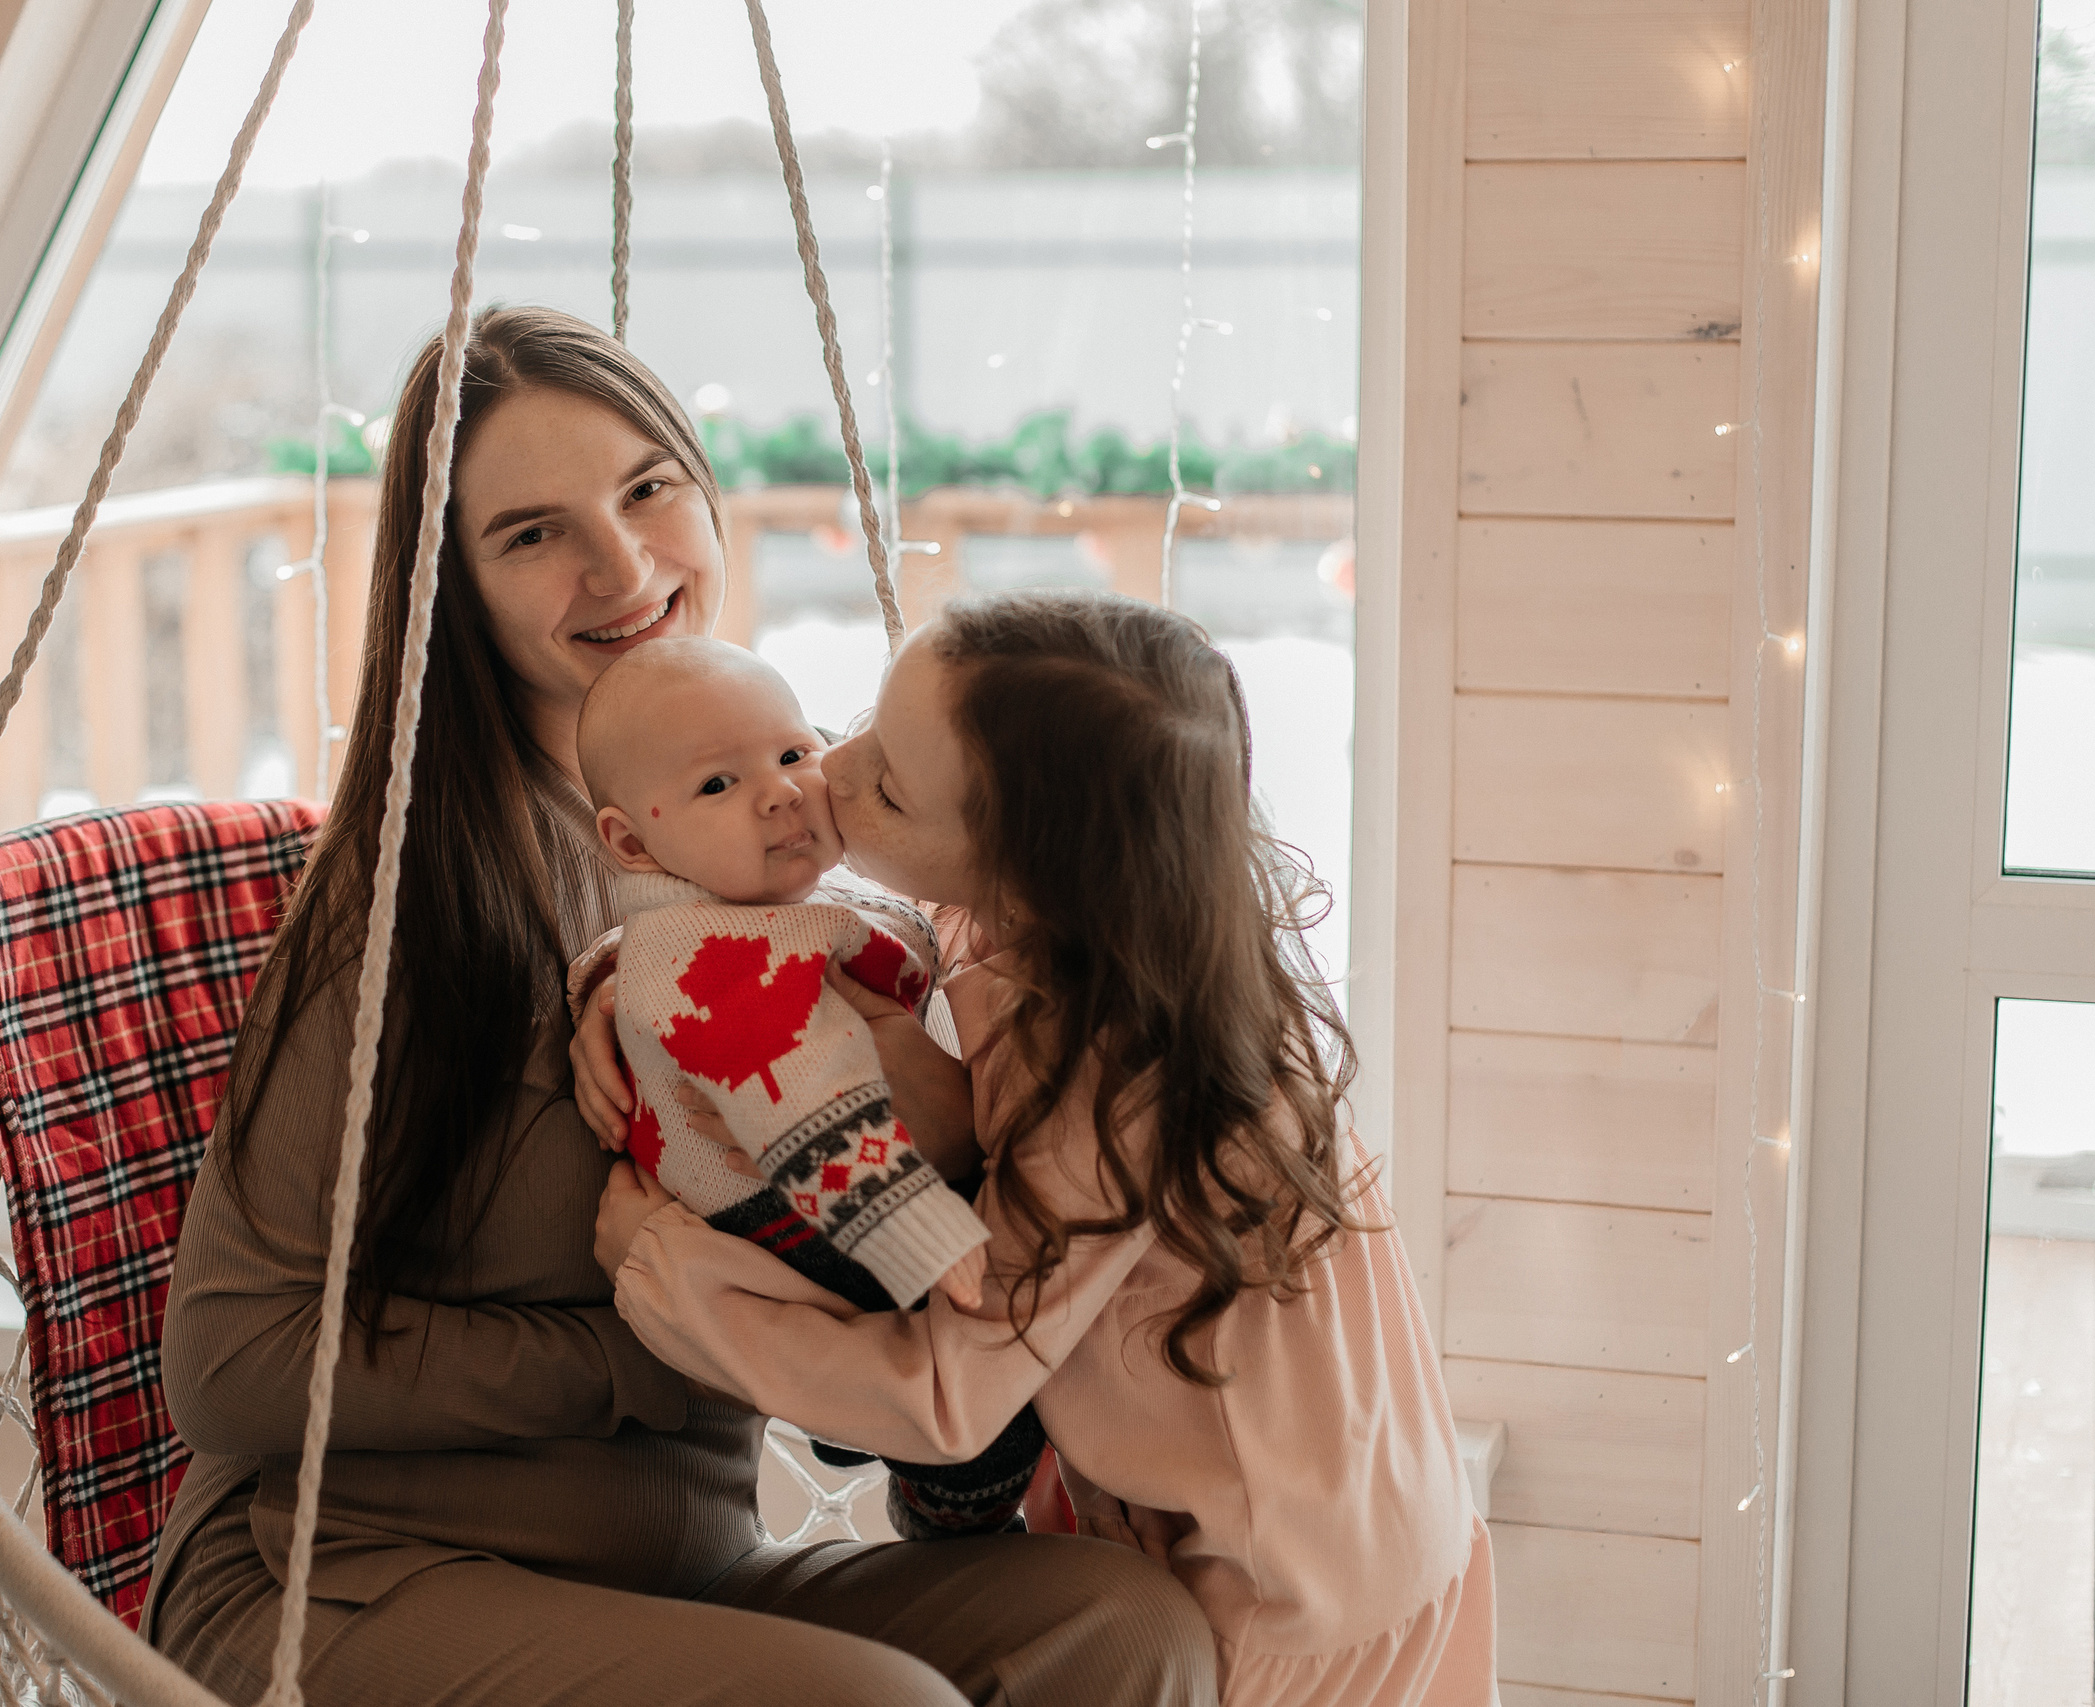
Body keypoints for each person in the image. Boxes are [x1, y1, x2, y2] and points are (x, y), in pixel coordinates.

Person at [143, 306, 1216, 1707]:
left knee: (1128, 1627)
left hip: (679, 1574)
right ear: (455, 588)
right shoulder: (416, 899)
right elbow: (229, 1361)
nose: (623, 565)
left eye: (648, 489)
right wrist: (661, 1341)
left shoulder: (773, 831)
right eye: (532, 533)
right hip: (349, 1573)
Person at [587, 592, 1498, 1705]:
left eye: (887, 785)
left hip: (1289, 1610)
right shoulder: (1144, 926)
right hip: (1387, 1513)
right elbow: (783, 929)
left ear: (1025, 868)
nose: (828, 768)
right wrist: (632, 974)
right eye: (862, 722)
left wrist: (665, 1271)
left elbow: (947, 1398)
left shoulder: (1110, 1088)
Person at [574, 636, 1048, 1539]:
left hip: (825, 1185)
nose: (781, 791)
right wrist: (923, 1234)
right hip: (807, 1205)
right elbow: (808, 1097)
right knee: (989, 1406)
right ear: (633, 842)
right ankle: (952, 1517)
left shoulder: (738, 905)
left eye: (794, 751)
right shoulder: (721, 956)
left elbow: (885, 923)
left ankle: (866, 1431)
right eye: (719, 784)